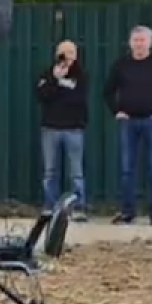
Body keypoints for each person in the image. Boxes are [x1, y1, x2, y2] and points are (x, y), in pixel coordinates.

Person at [103, 24, 152, 227]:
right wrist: (117, 110)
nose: (139, 44)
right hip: (129, 122)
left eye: (143, 40)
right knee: (128, 169)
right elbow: (108, 90)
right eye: (136, 40)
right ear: (130, 42)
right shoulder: (121, 65)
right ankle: (128, 212)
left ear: (150, 43)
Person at [34, 39, 89, 219]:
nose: (67, 57)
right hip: (51, 128)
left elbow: (79, 99)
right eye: (63, 53)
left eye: (71, 53)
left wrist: (61, 89)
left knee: (76, 172)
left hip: (73, 128)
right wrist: (55, 80)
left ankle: (78, 207)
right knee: (50, 171)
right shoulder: (48, 73)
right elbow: (42, 96)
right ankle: (51, 206)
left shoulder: (80, 75)